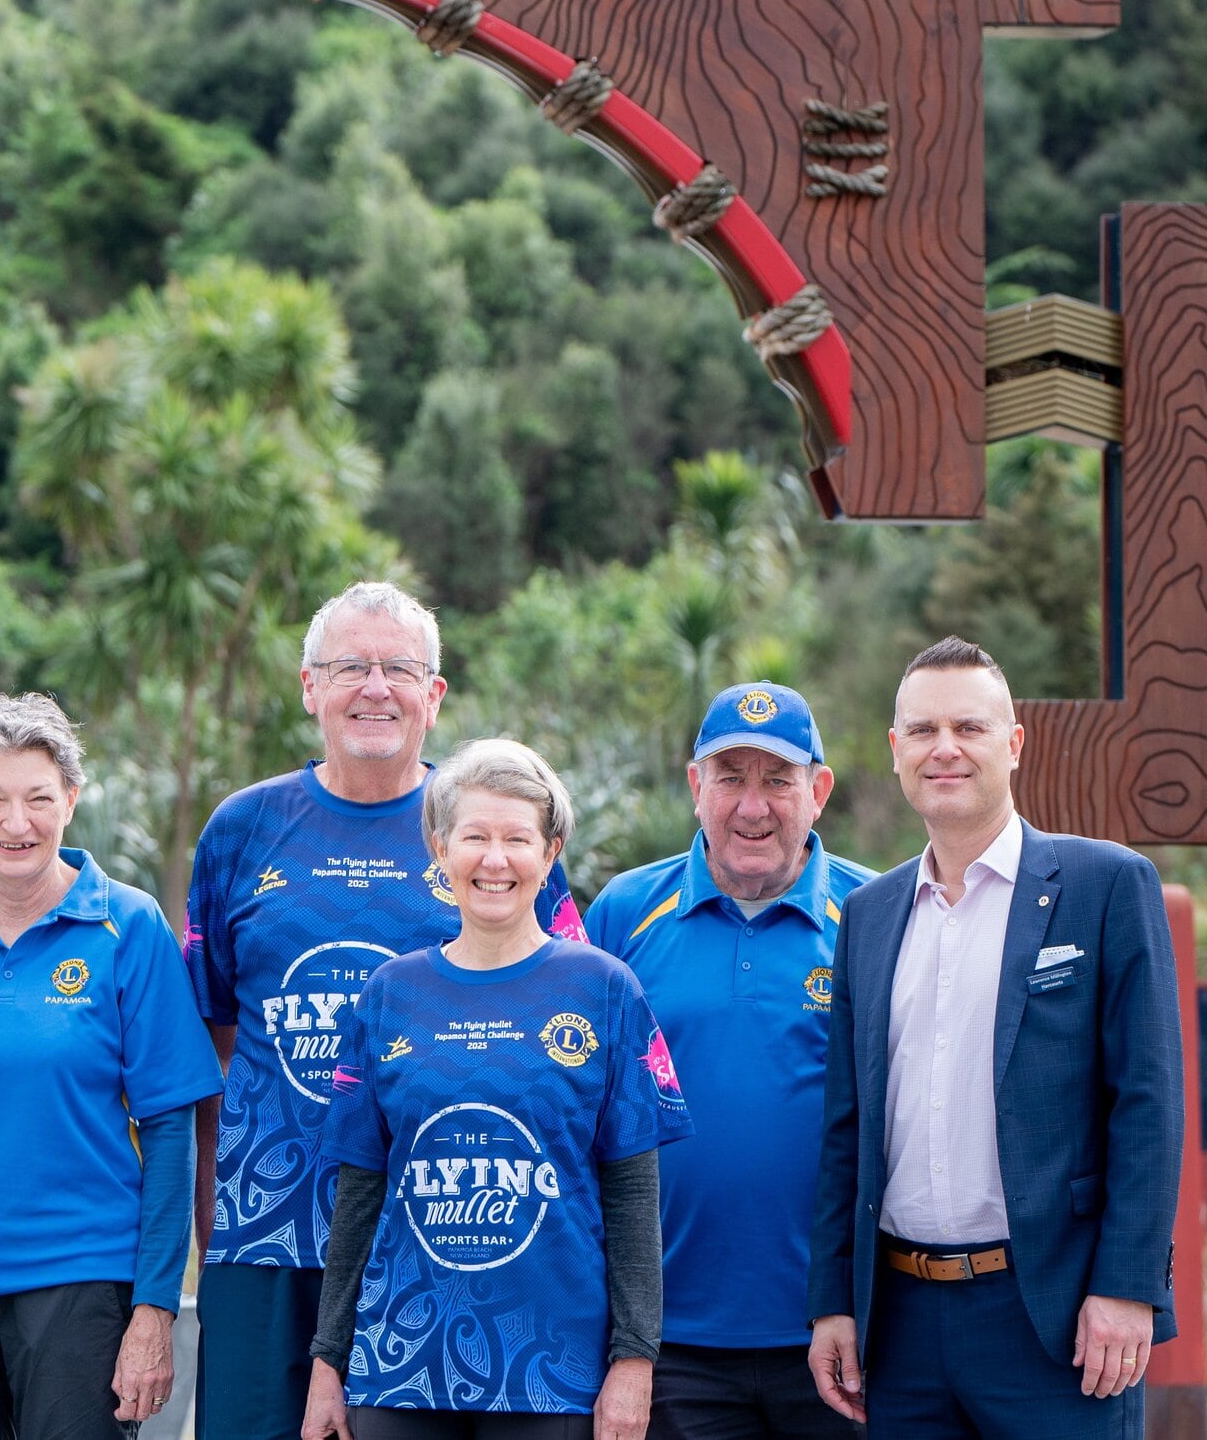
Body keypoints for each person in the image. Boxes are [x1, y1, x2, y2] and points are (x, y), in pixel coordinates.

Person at [187, 581, 588, 1440]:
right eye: (349, 667)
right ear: (309, 687)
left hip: (436, 1246)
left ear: (434, 696)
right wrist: (212, 1212)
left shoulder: (490, 835)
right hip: (270, 1234)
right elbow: (214, 1033)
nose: (375, 687)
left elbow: (567, 1011)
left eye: (399, 668)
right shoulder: (240, 830)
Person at [806, 637, 1184, 1437]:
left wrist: (1128, 1286)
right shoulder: (869, 917)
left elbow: (1149, 1105)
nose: (945, 749)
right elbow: (849, 1127)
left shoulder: (1105, 886)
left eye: (969, 728)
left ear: (1013, 745)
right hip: (900, 1328)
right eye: (923, 730)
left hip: (1056, 1318)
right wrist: (834, 1300)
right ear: (896, 751)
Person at [0, 692, 224, 1440]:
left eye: (38, 798)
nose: (15, 823)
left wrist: (154, 1306)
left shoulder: (129, 927)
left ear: (72, 801)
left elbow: (169, 1131)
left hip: (79, 1281)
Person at [302, 738, 692, 1440]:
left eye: (518, 838)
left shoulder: (606, 989)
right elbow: (358, 1194)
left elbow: (633, 1197)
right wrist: (330, 1363)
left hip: (553, 1373)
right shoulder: (389, 994)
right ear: (439, 848)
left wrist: (634, 1362)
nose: (495, 859)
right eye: (475, 836)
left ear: (550, 853)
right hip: (403, 1370)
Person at [587, 682, 871, 1439]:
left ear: (818, 791)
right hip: (666, 1344)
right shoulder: (621, 913)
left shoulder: (875, 915)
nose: (754, 807)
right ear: (694, 787)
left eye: (778, 780)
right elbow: (577, 1114)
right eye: (730, 778)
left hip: (836, 1336)